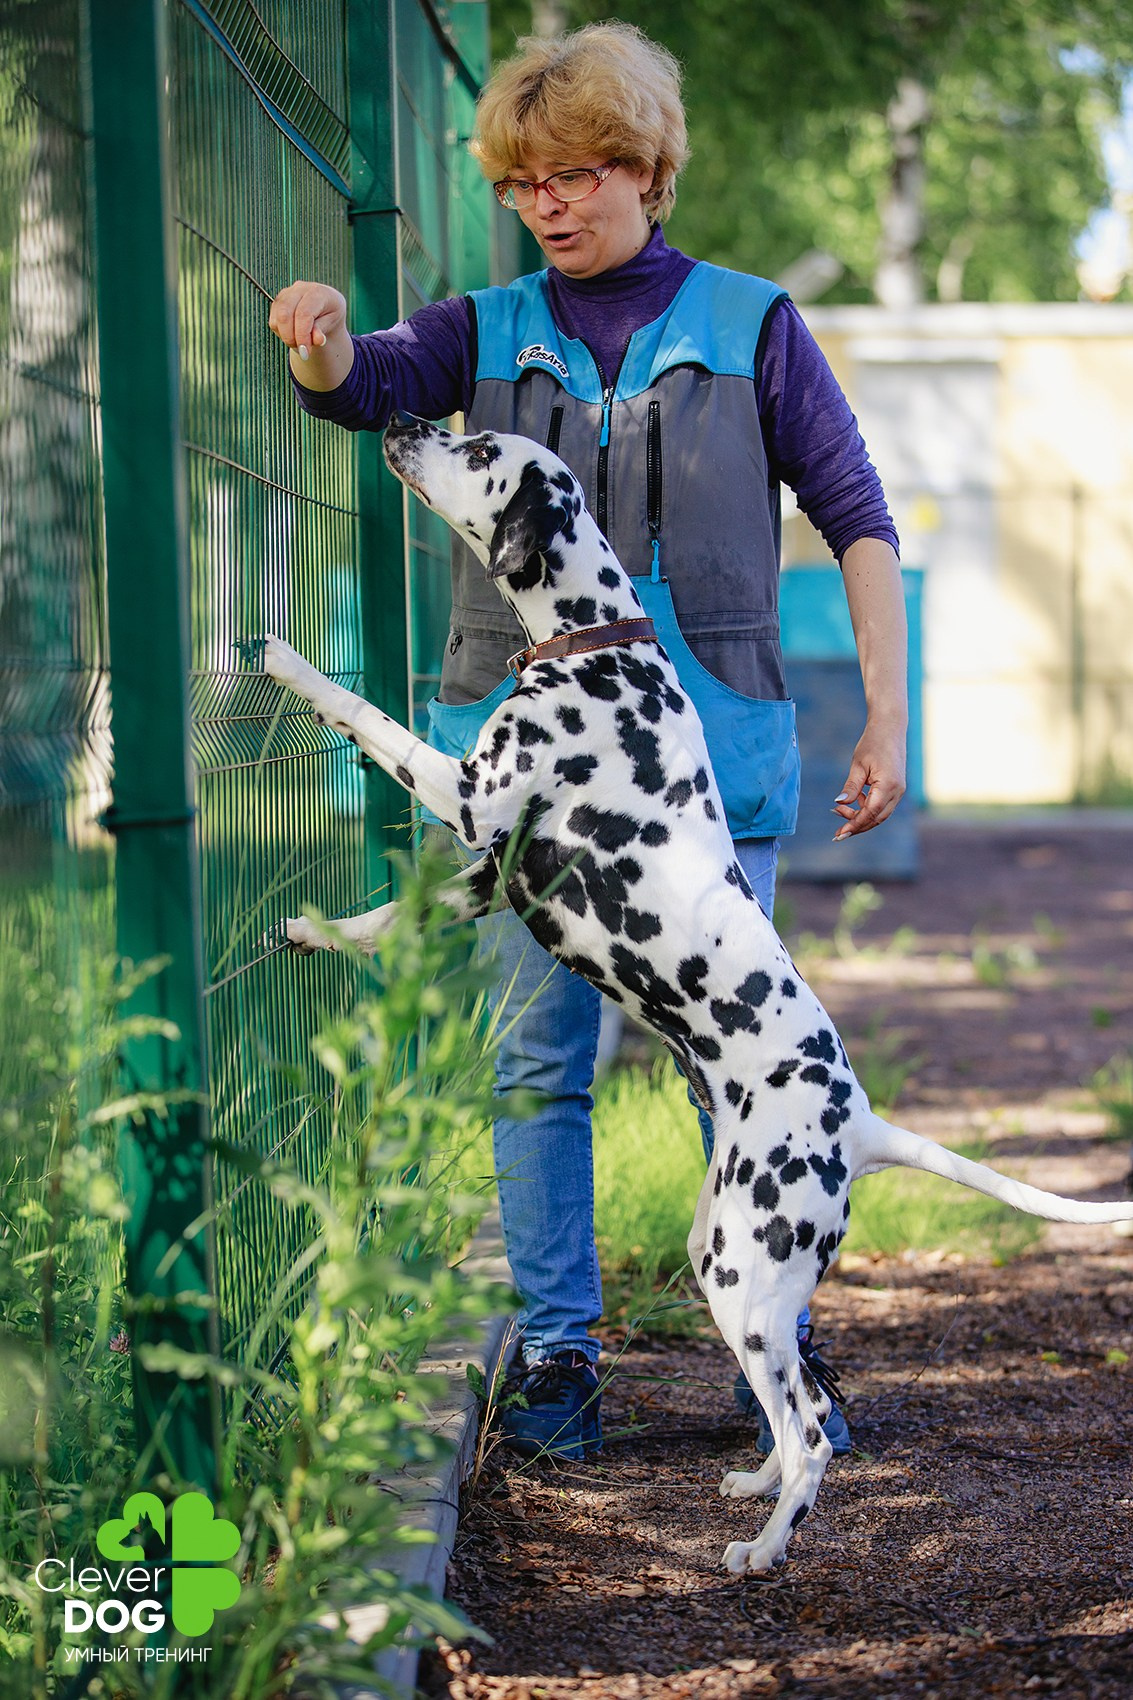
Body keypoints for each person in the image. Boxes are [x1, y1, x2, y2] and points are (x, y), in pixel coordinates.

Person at [269, 22, 907, 1462]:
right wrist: (317, 348)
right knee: (533, 1066)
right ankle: (557, 1357)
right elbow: (366, 386)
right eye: (527, 182)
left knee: (732, 1067)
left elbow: (854, 514)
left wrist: (885, 709)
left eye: (580, 173)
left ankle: (775, 1344)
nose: (551, 203)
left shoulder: (752, 325)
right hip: (523, 777)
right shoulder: (480, 328)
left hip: (709, 773)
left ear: (647, 167)